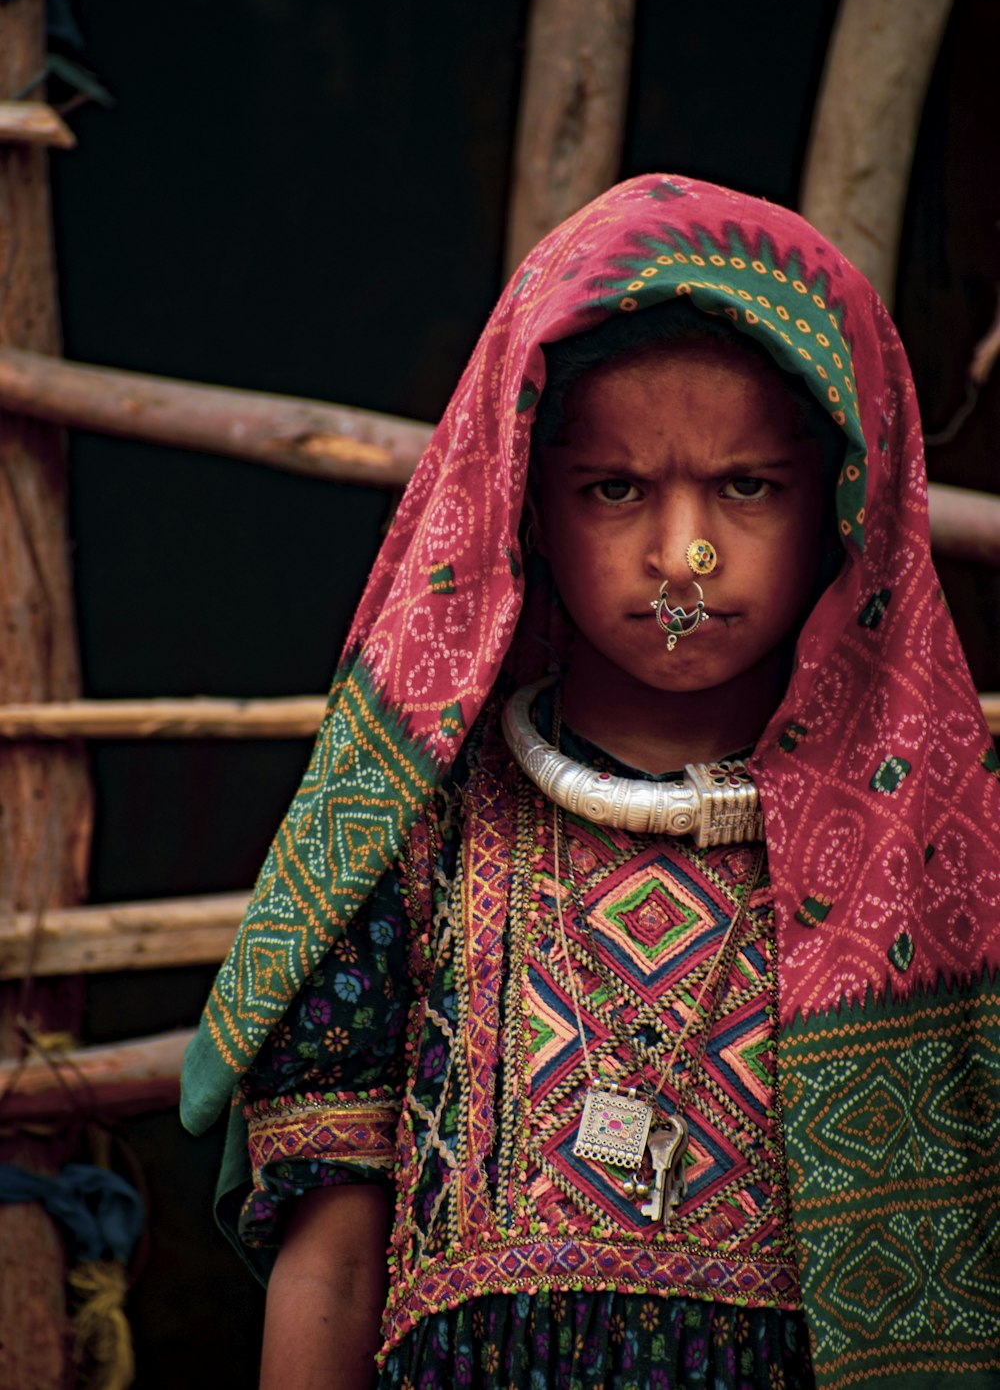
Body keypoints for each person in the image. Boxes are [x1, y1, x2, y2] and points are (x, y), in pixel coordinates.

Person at [181, 176, 1000, 1390]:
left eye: (747, 486)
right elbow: (335, 1262)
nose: (683, 559)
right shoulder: (417, 836)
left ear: (844, 505)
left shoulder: (930, 863)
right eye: (615, 489)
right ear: (523, 507)